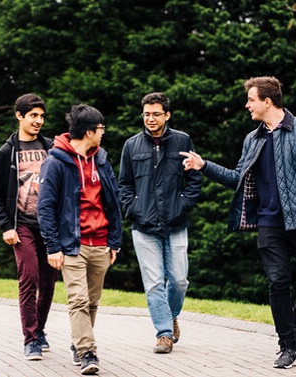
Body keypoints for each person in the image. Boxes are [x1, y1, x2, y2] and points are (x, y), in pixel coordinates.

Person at [181, 76, 296, 369]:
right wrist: (204, 166)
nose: (247, 105)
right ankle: (286, 345)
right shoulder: (253, 139)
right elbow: (238, 178)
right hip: (268, 223)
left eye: (251, 99)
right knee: (278, 281)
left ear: (267, 101)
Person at [37, 104, 122, 375]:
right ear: (88, 131)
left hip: (101, 243)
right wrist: (53, 246)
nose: (103, 133)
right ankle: (87, 352)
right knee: (78, 301)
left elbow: (114, 201)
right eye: (101, 129)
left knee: (93, 301)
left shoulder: (102, 159)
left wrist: (115, 240)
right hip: (72, 245)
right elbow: (45, 207)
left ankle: (79, 343)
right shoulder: (55, 162)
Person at [118, 92, 202, 354]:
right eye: (146, 114)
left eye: (155, 114)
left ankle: (170, 315)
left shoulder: (182, 140)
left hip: (176, 223)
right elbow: (123, 184)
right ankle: (164, 333)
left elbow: (194, 179)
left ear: (167, 115)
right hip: (144, 226)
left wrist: (183, 204)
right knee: (153, 283)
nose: (150, 119)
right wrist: (133, 208)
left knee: (179, 281)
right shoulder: (131, 146)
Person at [0, 93, 59, 361]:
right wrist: (6, 226)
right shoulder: (8, 152)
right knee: (28, 279)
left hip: (50, 228)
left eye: (41, 116)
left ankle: (39, 330)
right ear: (20, 116)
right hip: (22, 227)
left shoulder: (51, 149)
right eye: (33, 116)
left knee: (48, 284)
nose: (38, 121)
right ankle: (30, 339)